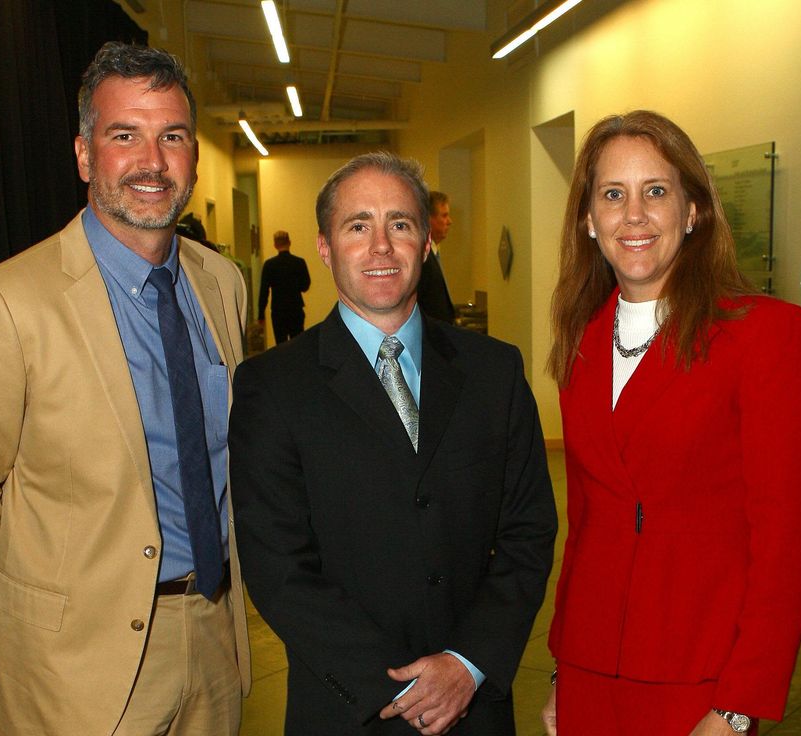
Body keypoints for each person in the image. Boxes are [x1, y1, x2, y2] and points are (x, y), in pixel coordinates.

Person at [0, 42, 251, 735]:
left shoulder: (223, 285)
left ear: (192, 154)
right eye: (123, 135)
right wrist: (33, 612)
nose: (151, 162)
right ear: (83, 155)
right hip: (72, 671)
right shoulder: (5, 303)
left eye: (172, 137)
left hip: (214, 642)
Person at [230, 152, 557, 735]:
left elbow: (528, 531)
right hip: (349, 710)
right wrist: (403, 690)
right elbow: (277, 565)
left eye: (400, 224)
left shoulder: (494, 372)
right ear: (325, 248)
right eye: (358, 226)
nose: (381, 246)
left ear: (426, 243)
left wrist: (467, 664)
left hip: (475, 706)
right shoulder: (274, 387)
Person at [541, 110, 801, 735]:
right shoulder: (581, 343)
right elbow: (585, 524)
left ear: (693, 210)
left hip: (700, 680)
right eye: (613, 195)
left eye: (656, 192)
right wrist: (562, 668)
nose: (633, 216)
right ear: (588, 219)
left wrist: (738, 705)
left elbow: (786, 542)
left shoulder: (764, 335)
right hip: (590, 670)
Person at [258, 229, 311, 342]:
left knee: (281, 344)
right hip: (295, 308)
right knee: (297, 343)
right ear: (289, 242)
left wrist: (261, 314)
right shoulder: (299, 262)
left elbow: (264, 291)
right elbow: (305, 286)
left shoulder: (269, 265)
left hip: (278, 310)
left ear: (275, 245)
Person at [416, 191, 456, 323]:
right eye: (444, 215)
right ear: (428, 219)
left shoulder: (434, 252)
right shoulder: (422, 257)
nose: (449, 221)